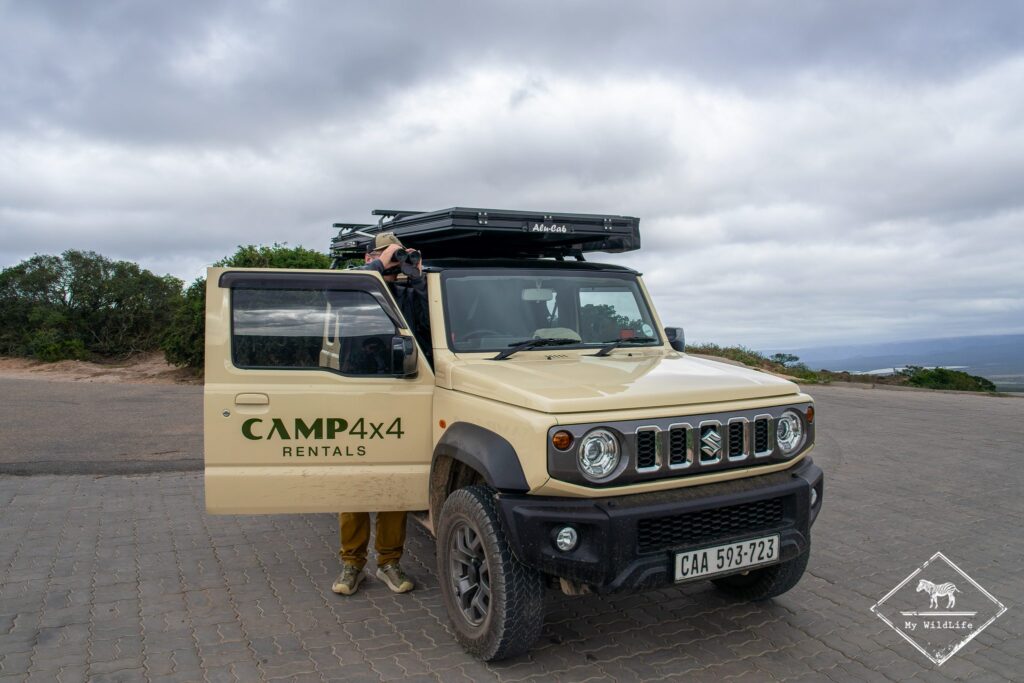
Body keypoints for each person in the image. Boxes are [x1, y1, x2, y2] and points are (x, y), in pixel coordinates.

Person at [332, 232, 428, 596]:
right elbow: (336, 299)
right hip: (356, 395)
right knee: (354, 485)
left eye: (396, 254)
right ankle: (351, 564)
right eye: (388, 254)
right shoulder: (352, 288)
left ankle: (389, 561)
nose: (394, 260)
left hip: (399, 396)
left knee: (393, 486)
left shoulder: (405, 293)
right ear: (370, 256)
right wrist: (377, 266)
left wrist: (416, 275)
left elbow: (423, 323)